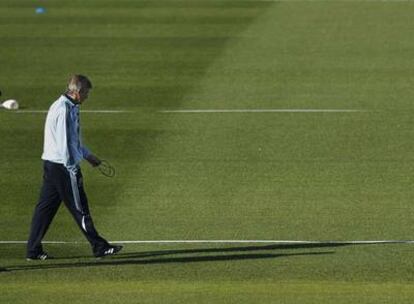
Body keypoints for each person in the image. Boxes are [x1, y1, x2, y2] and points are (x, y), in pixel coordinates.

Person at [26, 75, 122, 260]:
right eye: (86, 93)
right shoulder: (63, 110)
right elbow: (65, 145)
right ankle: (99, 246)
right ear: (77, 92)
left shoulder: (70, 106)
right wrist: (72, 168)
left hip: (53, 165)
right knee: (80, 208)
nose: (87, 96)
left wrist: (88, 156)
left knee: (45, 210)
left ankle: (33, 250)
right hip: (62, 167)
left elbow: (73, 140)